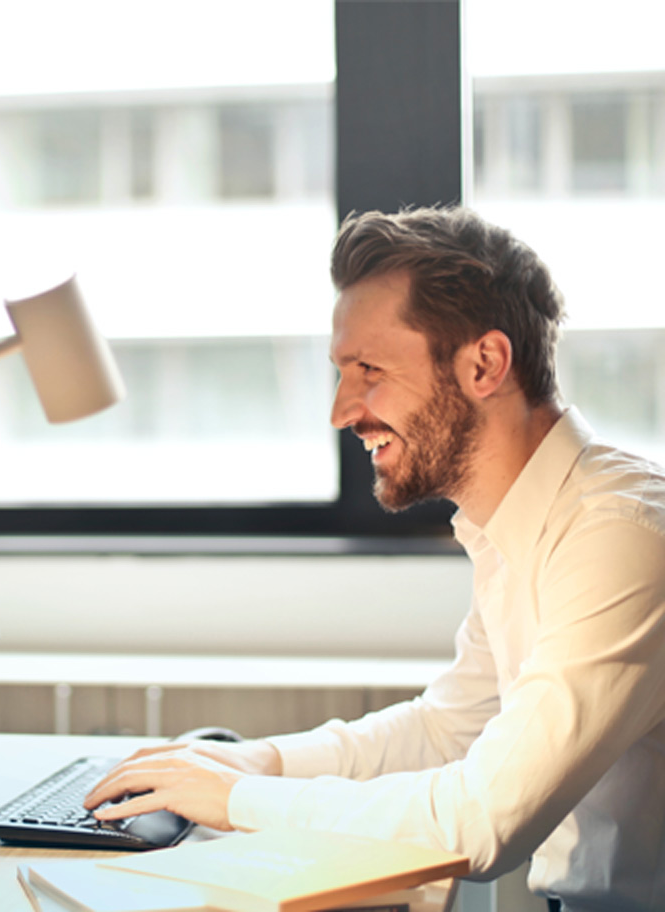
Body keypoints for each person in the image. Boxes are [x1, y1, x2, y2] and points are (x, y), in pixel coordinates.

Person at [84, 206, 665, 912]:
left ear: (484, 364)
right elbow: (447, 729)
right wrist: (259, 761)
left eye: (368, 370)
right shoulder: (512, 527)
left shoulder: (620, 536)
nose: (340, 411)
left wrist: (237, 799)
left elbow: (482, 821)